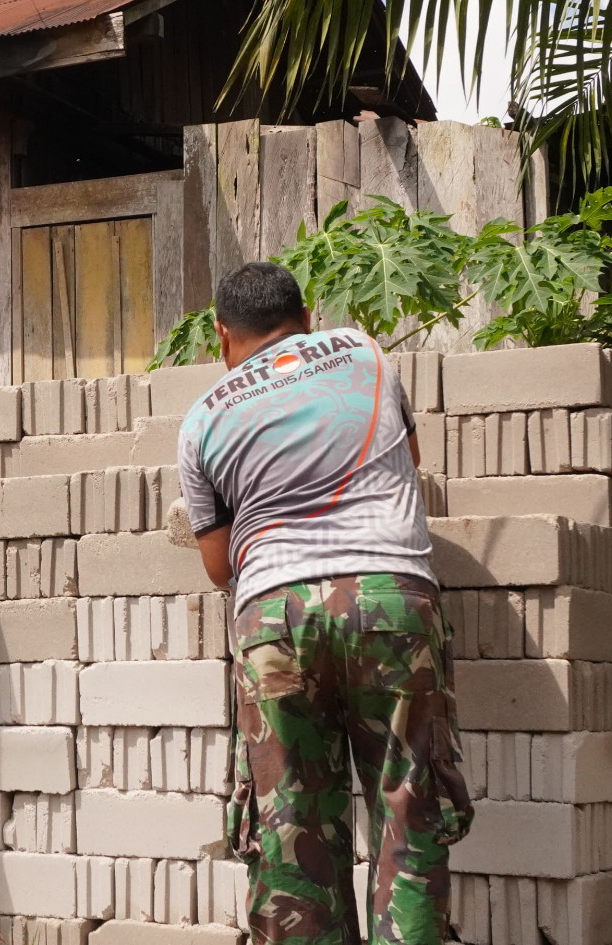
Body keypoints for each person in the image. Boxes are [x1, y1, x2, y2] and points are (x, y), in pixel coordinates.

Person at [176, 262, 474, 945]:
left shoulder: (203, 419)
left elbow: (221, 566)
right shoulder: (366, 354)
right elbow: (410, 457)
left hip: (275, 618)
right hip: (391, 598)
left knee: (292, 833)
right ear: (307, 318)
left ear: (222, 335)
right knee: (409, 811)